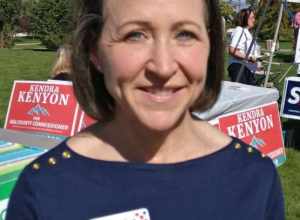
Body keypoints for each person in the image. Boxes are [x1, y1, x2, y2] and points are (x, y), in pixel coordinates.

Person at [6, 0, 284, 219]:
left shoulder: (254, 179)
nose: (162, 67)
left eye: (185, 34)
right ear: (94, 51)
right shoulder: (44, 188)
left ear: (210, 45)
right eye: (135, 35)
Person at [228, 7, 259, 85]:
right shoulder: (239, 30)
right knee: (241, 94)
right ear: (245, 18)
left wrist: (255, 63)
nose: (254, 20)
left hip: (247, 68)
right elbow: (232, 50)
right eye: (251, 18)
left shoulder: (247, 32)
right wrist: (249, 58)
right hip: (238, 67)